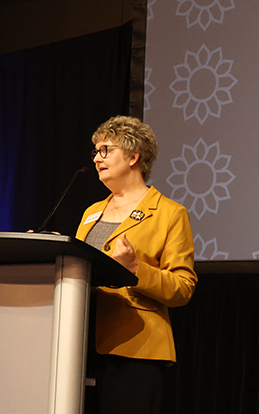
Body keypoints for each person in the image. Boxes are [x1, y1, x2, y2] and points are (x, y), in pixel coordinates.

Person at [75, 115, 197, 414]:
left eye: (106, 150)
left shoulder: (169, 213)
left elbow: (183, 288)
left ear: (133, 157)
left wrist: (135, 269)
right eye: (95, 152)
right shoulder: (91, 212)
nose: (97, 159)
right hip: (78, 343)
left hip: (135, 348)